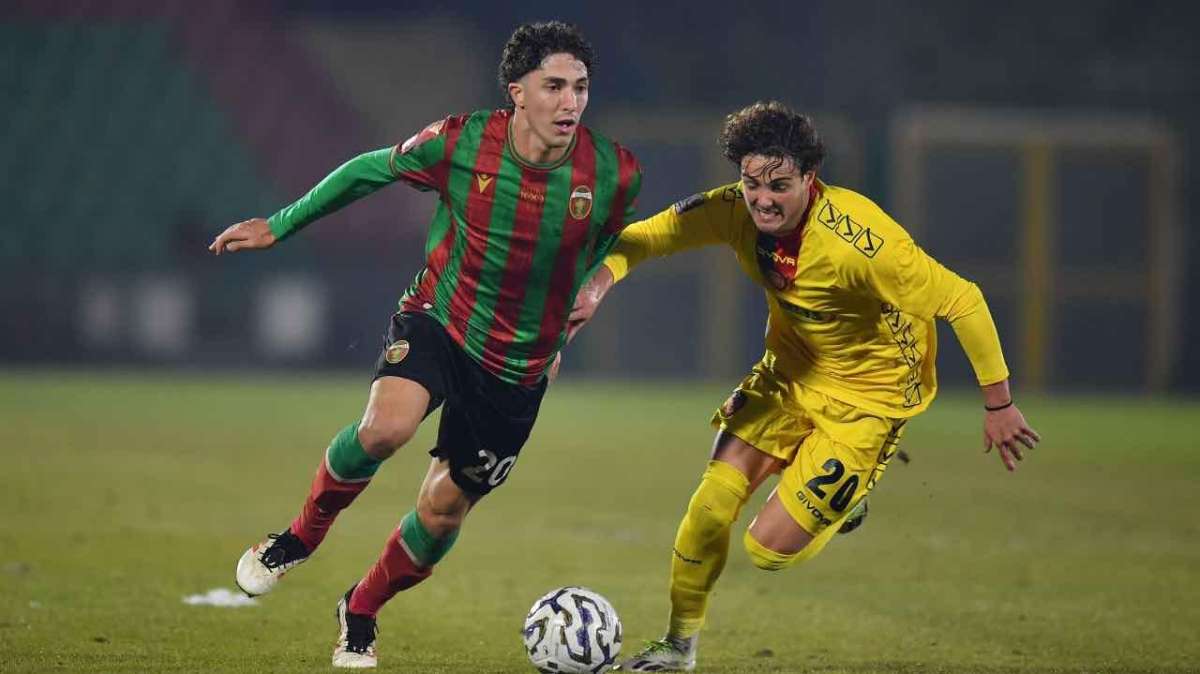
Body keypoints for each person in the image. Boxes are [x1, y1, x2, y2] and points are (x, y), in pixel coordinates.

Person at [208, 21, 641, 669]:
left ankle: (361, 608)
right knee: (386, 428)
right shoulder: (460, 143)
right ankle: (299, 537)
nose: (570, 102)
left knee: (441, 512)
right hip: (443, 318)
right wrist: (279, 225)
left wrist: (596, 285)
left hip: (518, 365)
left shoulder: (614, 172)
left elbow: (614, 239)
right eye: (553, 86)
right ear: (517, 92)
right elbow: (369, 170)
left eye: (580, 87)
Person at [568, 101, 1040, 672]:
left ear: (809, 178)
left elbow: (963, 299)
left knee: (766, 551)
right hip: (790, 374)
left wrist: (999, 404)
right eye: (752, 183)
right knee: (710, 505)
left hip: (870, 398)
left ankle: (849, 497)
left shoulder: (864, 244)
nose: (762, 199)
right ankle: (678, 645)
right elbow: (650, 236)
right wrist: (596, 287)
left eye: (779, 186)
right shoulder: (734, 209)